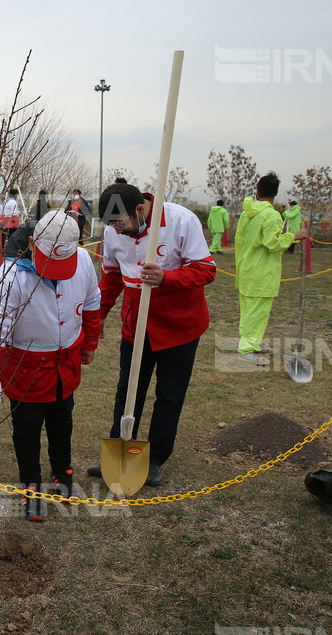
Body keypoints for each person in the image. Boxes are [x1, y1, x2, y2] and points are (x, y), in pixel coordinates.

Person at [0, 212, 100, 519]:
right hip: (25, 368)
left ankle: (63, 474)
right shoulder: (10, 275)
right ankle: (31, 487)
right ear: (32, 243)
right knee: (27, 429)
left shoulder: (82, 260)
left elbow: (93, 302)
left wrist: (90, 342)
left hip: (64, 364)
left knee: (62, 420)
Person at [88, 183, 216, 487]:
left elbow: (206, 270)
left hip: (180, 325)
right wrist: (99, 315)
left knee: (169, 395)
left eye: (121, 223)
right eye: (111, 225)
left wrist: (166, 277)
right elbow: (112, 277)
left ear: (141, 210)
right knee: (128, 389)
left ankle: (155, 457)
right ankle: (120, 450)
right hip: (136, 324)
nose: (117, 231)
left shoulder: (181, 220)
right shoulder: (113, 233)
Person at [235, 173, 308, 364]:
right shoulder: (271, 215)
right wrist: (294, 236)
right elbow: (273, 243)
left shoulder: (247, 213)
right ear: (275, 194)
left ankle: (250, 342)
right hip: (262, 272)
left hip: (247, 268)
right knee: (257, 312)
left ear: (257, 191)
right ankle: (248, 347)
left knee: (249, 310)